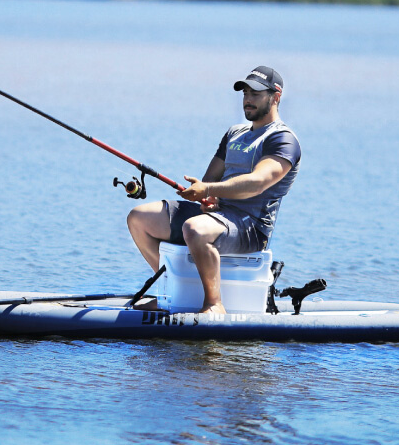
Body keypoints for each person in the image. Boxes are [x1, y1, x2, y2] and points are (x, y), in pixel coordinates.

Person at [127, 66, 301, 314]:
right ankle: (173, 291)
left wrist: (208, 188)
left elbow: (257, 182)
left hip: (251, 226)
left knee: (195, 229)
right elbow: (210, 180)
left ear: (276, 96)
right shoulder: (234, 133)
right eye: (245, 93)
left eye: (256, 94)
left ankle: (214, 304)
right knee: (139, 218)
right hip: (219, 216)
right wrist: (205, 196)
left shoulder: (282, 139)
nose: (248, 99)